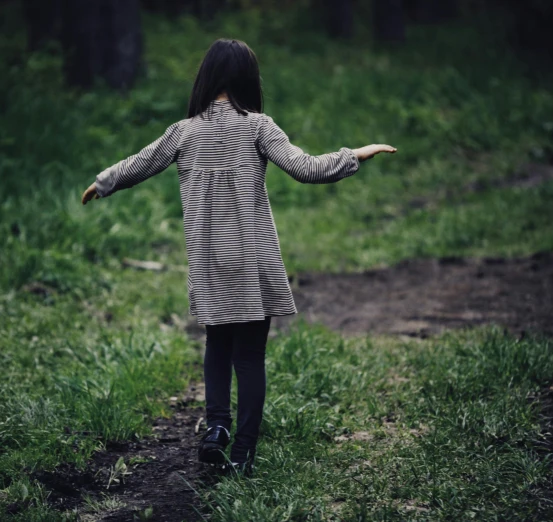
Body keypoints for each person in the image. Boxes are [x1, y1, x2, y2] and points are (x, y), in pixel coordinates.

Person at [82, 38, 396, 475]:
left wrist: (104, 182)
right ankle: (244, 454)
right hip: (253, 263)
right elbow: (307, 169)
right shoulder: (258, 127)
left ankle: (216, 429)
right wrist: (356, 154)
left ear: (206, 78)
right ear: (247, 79)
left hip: (210, 263)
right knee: (249, 357)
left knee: (216, 346)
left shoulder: (184, 131)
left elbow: (142, 162)